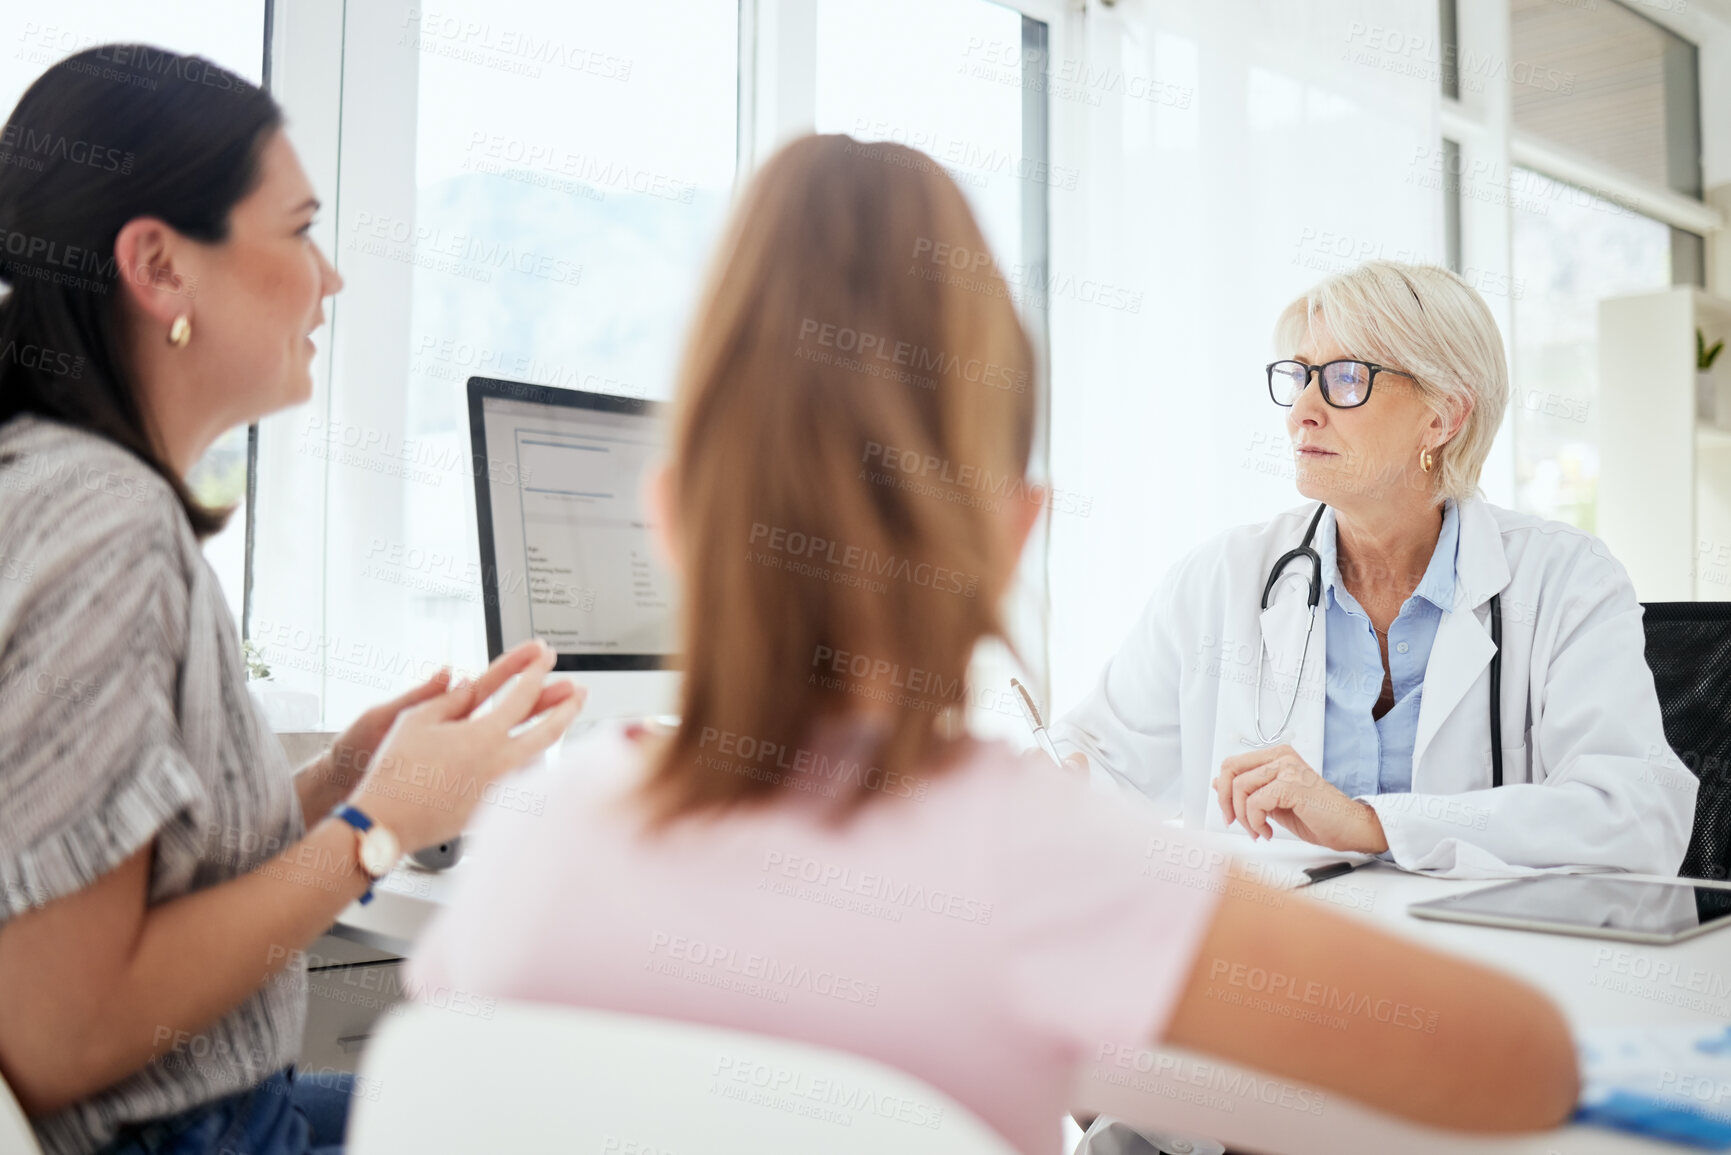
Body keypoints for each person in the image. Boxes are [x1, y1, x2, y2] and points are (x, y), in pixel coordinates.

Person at [409, 136, 1579, 1155]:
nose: (1307, 408)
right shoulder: (1046, 865)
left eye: (1345, 380)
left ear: (665, 512)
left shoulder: (529, 841)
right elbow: (1527, 1065)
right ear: (1016, 529)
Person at [0, 47, 581, 1155]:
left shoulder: (56, 485)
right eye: (301, 229)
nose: (333, 277)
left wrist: (331, 782)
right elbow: (61, 1029)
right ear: (160, 267)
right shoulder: (106, 529)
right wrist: (384, 826)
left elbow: (119, 877)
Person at [1053, 261, 1697, 876]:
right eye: (1300, 375)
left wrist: (1370, 823)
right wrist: (1042, 781)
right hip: (1273, 965)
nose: (1302, 409)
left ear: (1443, 416)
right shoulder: (1220, 579)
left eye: (1344, 377)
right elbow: (1100, 766)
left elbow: (1636, 817)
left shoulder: (1566, 580)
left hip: (1485, 970)